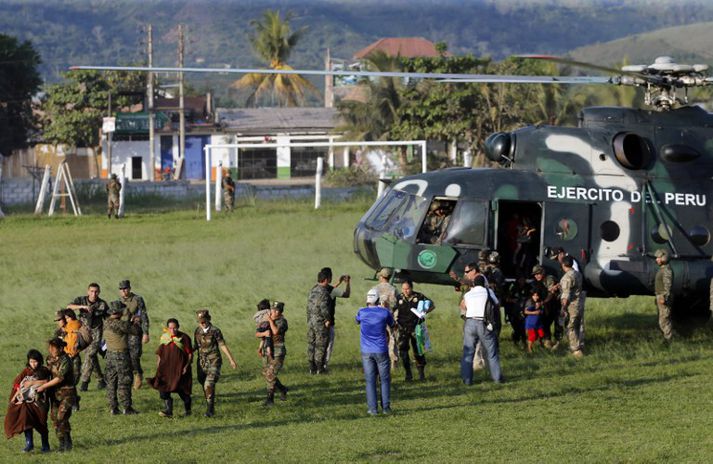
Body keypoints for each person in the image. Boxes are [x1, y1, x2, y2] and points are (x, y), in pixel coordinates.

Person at [356, 288, 395, 415]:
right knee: (384, 379)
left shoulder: (361, 312)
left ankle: (372, 409)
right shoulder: (384, 313)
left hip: (366, 351)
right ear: (378, 299)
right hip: (381, 349)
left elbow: (357, 320)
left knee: (370, 380)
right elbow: (392, 324)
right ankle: (386, 408)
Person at [4, 349, 51, 453]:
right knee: (26, 420)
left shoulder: (44, 371)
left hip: (40, 402)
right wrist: (18, 392)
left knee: (42, 422)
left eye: (35, 361)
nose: (33, 364)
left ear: (39, 361)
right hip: (27, 402)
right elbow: (17, 383)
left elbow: (47, 382)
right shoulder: (26, 371)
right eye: (31, 361)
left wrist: (31, 383)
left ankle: (45, 445)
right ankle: (29, 444)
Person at [194, 309, 238, 417]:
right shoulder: (197, 331)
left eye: (204, 321)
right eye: (200, 321)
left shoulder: (215, 331)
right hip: (201, 362)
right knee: (203, 382)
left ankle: (209, 410)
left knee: (208, 383)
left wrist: (231, 360)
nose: (202, 323)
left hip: (214, 361)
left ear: (208, 319)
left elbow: (222, 345)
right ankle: (210, 406)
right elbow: (195, 346)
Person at [460, 275, 503, 385]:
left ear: (474, 284)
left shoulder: (468, 294)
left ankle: (467, 380)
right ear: (484, 283)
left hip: (469, 323)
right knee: (491, 352)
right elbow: (497, 304)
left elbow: (464, 306)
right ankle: (497, 378)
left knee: (468, 353)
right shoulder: (488, 292)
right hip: (483, 323)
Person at [36, 338, 76, 451]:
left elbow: (59, 378)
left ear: (60, 348)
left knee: (61, 417)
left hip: (67, 393)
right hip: (54, 394)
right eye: (50, 348)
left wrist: (43, 386)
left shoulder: (66, 361)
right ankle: (64, 441)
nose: (51, 350)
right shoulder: (49, 359)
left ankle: (65, 444)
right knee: (55, 419)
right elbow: (47, 372)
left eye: (54, 348)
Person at [147, 318, 193, 418]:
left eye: (175, 328)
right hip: (165, 369)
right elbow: (160, 353)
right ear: (168, 328)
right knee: (163, 389)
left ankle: (188, 411)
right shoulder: (164, 337)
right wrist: (158, 366)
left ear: (178, 327)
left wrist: (186, 366)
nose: (173, 330)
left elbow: (190, 354)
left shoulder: (184, 338)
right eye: (171, 328)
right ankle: (168, 410)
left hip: (179, 369)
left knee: (182, 390)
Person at [67, 282, 108, 392]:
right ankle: (101, 380)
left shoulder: (102, 304)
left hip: (96, 334)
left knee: (90, 355)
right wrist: (82, 307)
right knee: (92, 357)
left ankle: (84, 381)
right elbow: (69, 307)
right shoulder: (81, 300)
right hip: (84, 333)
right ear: (88, 291)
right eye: (91, 291)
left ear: (99, 292)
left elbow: (108, 318)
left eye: (96, 292)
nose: (94, 294)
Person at [103, 300, 141, 415]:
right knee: (124, 380)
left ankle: (113, 407)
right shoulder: (120, 324)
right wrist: (136, 323)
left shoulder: (106, 322)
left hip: (109, 354)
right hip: (121, 355)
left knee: (111, 381)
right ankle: (126, 407)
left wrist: (128, 320)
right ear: (119, 312)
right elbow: (136, 331)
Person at [393, 279, 434, 381]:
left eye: (407, 289)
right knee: (403, 351)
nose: (405, 291)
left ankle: (421, 374)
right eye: (403, 289)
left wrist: (424, 312)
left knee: (418, 351)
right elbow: (393, 310)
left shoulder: (419, 297)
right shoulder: (399, 298)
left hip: (416, 328)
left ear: (411, 288)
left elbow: (432, 305)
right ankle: (408, 374)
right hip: (403, 328)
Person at [256, 301, 289, 406]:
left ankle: (270, 399)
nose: (273, 312)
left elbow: (275, 331)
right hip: (267, 351)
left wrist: (270, 320)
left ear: (280, 312)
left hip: (278, 352)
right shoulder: (268, 321)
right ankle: (283, 389)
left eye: (276, 310)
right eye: (272, 309)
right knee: (267, 373)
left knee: (270, 374)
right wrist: (260, 347)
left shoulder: (282, 321)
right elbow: (260, 334)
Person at [118, 280, 150, 390]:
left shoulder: (137, 299)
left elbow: (144, 316)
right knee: (123, 356)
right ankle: (127, 378)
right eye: (122, 289)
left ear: (130, 288)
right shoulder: (118, 301)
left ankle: (138, 374)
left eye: (126, 288)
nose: (124, 291)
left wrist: (146, 333)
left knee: (134, 356)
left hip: (134, 331)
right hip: (122, 332)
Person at [53, 309, 84, 411]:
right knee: (66, 380)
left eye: (60, 319)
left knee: (75, 378)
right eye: (57, 320)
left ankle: (73, 399)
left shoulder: (74, 327)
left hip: (74, 357)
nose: (59, 322)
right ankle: (73, 401)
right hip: (63, 359)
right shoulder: (57, 332)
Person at [321, 267, 351, 372]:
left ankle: (315, 366)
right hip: (329, 322)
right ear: (328, 278)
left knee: (318, 344)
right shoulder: (331, 290)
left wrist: (339, 282)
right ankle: (324, 367)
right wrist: (347, 283)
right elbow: (346, 294)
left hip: (317, 322)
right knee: (328, 345)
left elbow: (329, 289)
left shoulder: (316, 288)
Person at [306, 269, 333, 375]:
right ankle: (319, 369)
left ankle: (311, 367)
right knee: (321, 345)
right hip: (320, 323)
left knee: (311, 344)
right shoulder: (324, 293)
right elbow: (324, 309)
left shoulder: (313, 290)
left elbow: (308, 307)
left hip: (311, 321)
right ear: (326, 279)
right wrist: (327, 319)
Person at [559, 255, 584, 358]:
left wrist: (563, 308)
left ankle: (576, 350)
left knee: (570, 327)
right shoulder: (577, 274)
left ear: (563, 264)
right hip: (579, 304)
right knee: (578, 327)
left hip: (571, 306)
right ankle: (579, 346)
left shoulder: (567, 277)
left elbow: (566, 295)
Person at [531, 265, 559, 347]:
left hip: (555, 304)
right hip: (547, 306)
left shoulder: (549, 279)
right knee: (545, 323)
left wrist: (543, 302)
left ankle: (557, 343)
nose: (536, 276)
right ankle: (547, 341)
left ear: (543, 272)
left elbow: (551, 294)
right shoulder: (537, 282)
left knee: (558, 325)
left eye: (538, 274)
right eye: (535, 274)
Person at [654, 249, 674, 341]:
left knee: (664, 320)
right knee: (662, 319)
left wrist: (665, 298)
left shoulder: (666, 270)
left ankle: (668, 340)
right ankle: (666, 338)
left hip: (663, 297)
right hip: (660, 296)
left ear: (664, 258)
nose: (656, 260)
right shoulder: (662, 269)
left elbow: (667, 286)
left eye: (658, 258)